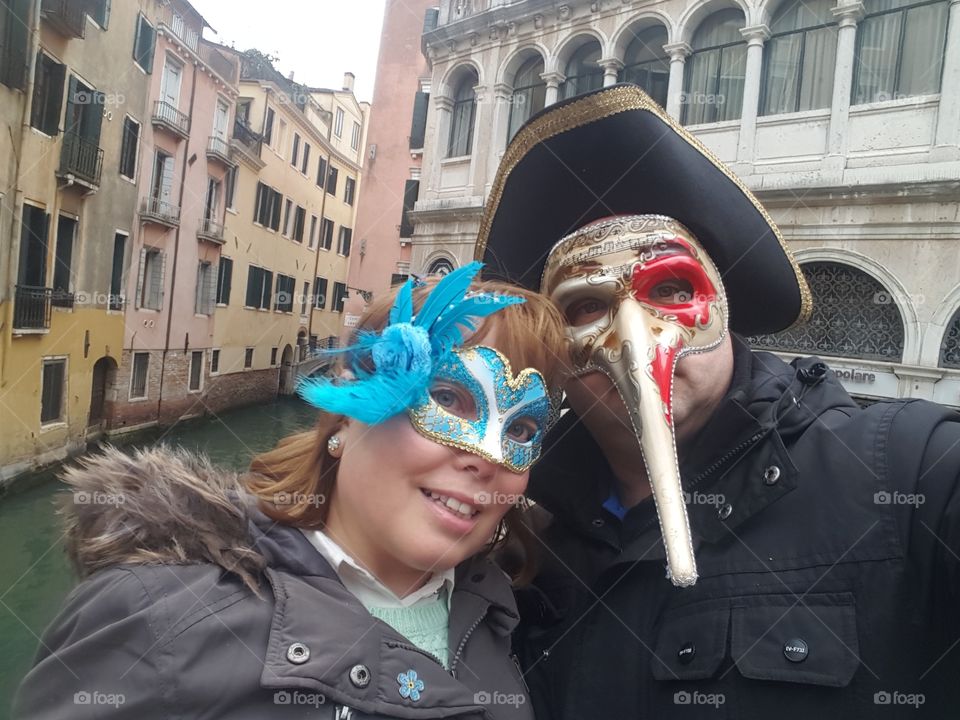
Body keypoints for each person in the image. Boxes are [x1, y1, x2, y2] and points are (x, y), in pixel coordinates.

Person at [477, 84, 960, 718]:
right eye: (587, 305)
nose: (634, 337)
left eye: (671, 289)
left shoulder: (906, 472)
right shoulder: (517, 536)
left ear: (723, 310)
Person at [13, 263, 566, 720]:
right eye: (446, 398)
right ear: (346, 420)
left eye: (520, 430)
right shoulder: (157, 618)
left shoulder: (508, 613)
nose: (488, 457)